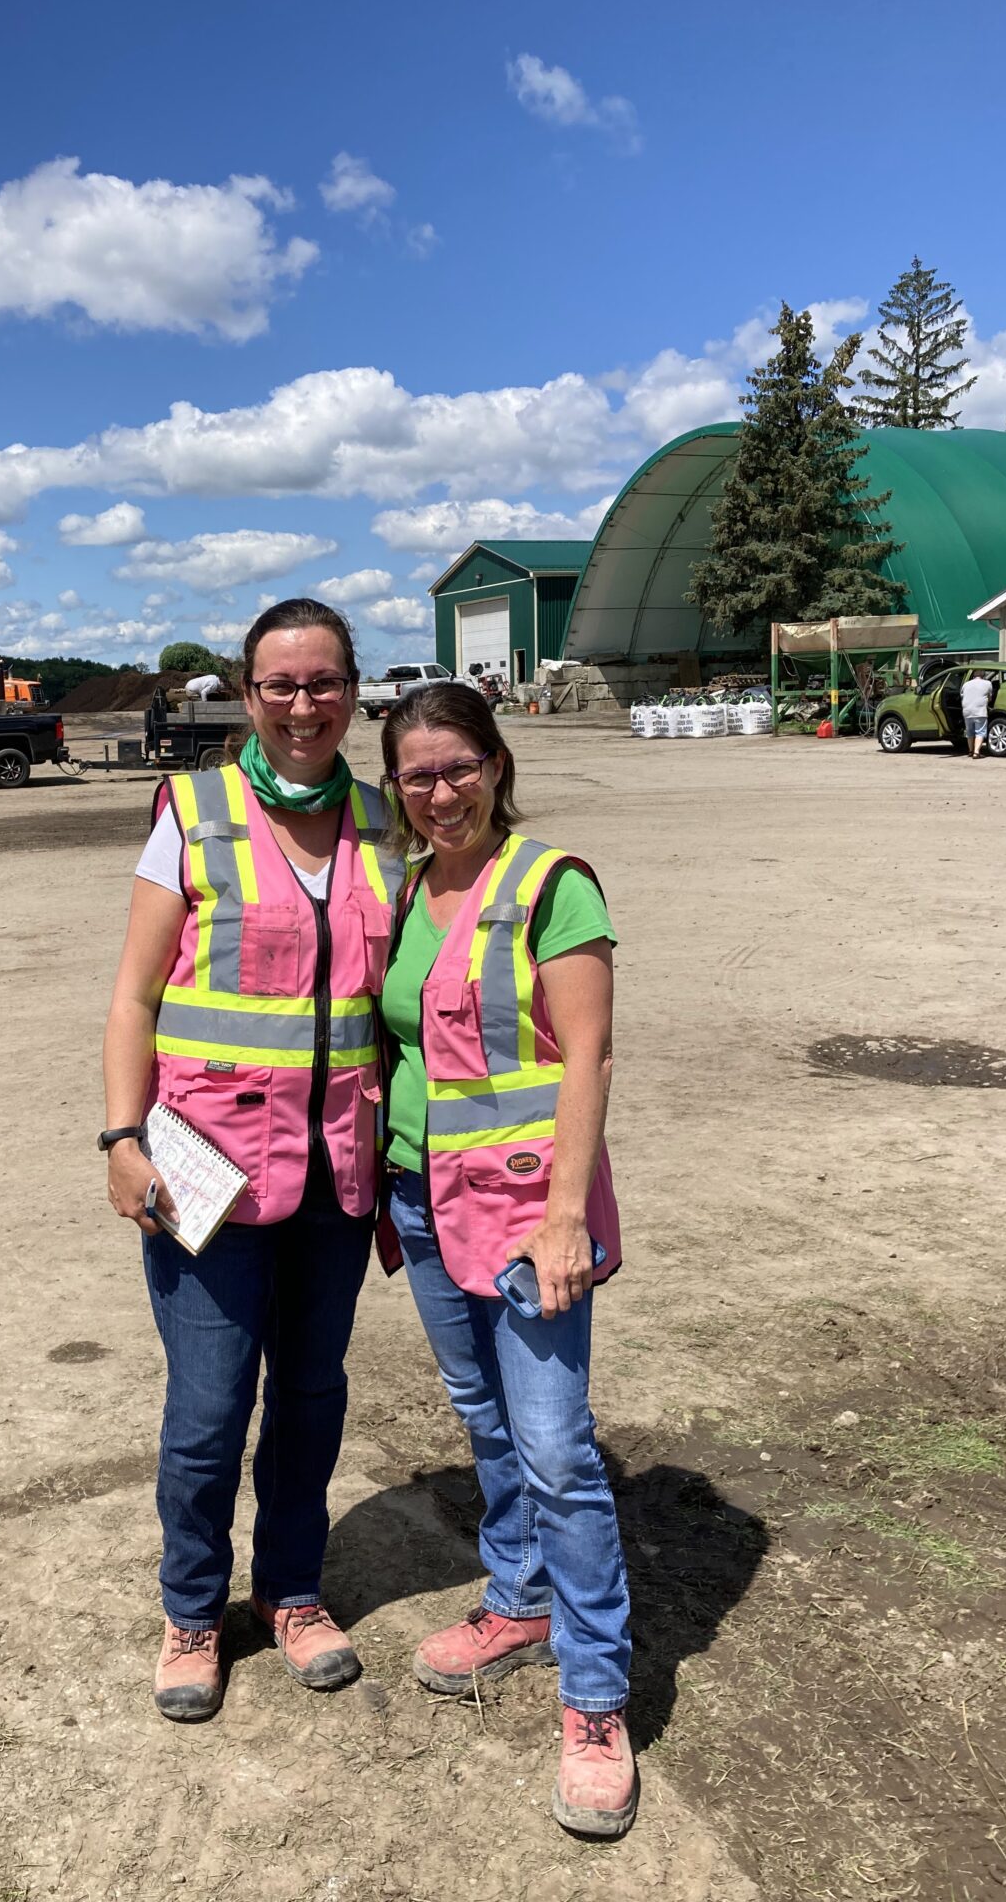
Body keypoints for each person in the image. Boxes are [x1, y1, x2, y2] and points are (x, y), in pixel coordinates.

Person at [102, 599, 404, 1722]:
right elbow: (134, 995)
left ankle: (290, 1590)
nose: (302, 705)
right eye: (280, 685)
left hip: (334, 1171)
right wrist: (121, 1139)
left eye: (323, 682)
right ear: (246, 692)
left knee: (313, 1396)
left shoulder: (384, 826)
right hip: (205, 1176)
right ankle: (192, 1610)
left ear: (353, 690)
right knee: (210, 1407)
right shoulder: (194, 811)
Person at [375, 682, 636, 1840]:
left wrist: (567, 1212)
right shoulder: (410, 891)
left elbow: (588, 1057)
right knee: (484, 1420)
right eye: (417, 776)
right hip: (427, 1204)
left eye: (458, 767)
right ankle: (519, 1598)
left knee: (557, 1449)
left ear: (496, 761)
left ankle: (596, 1698)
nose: (441, 793)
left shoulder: (552, 884)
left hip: (531, 1215)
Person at [961, 668, 994, 758]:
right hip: (980, 711)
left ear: (973, 676)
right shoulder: (987, 683)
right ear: (984, 676)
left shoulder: (966, 684)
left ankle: (971, 751)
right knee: (980, 732)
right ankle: (976, 752)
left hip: (967, 711)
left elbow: (962, 695)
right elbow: (990, 697)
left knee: (969, 732)